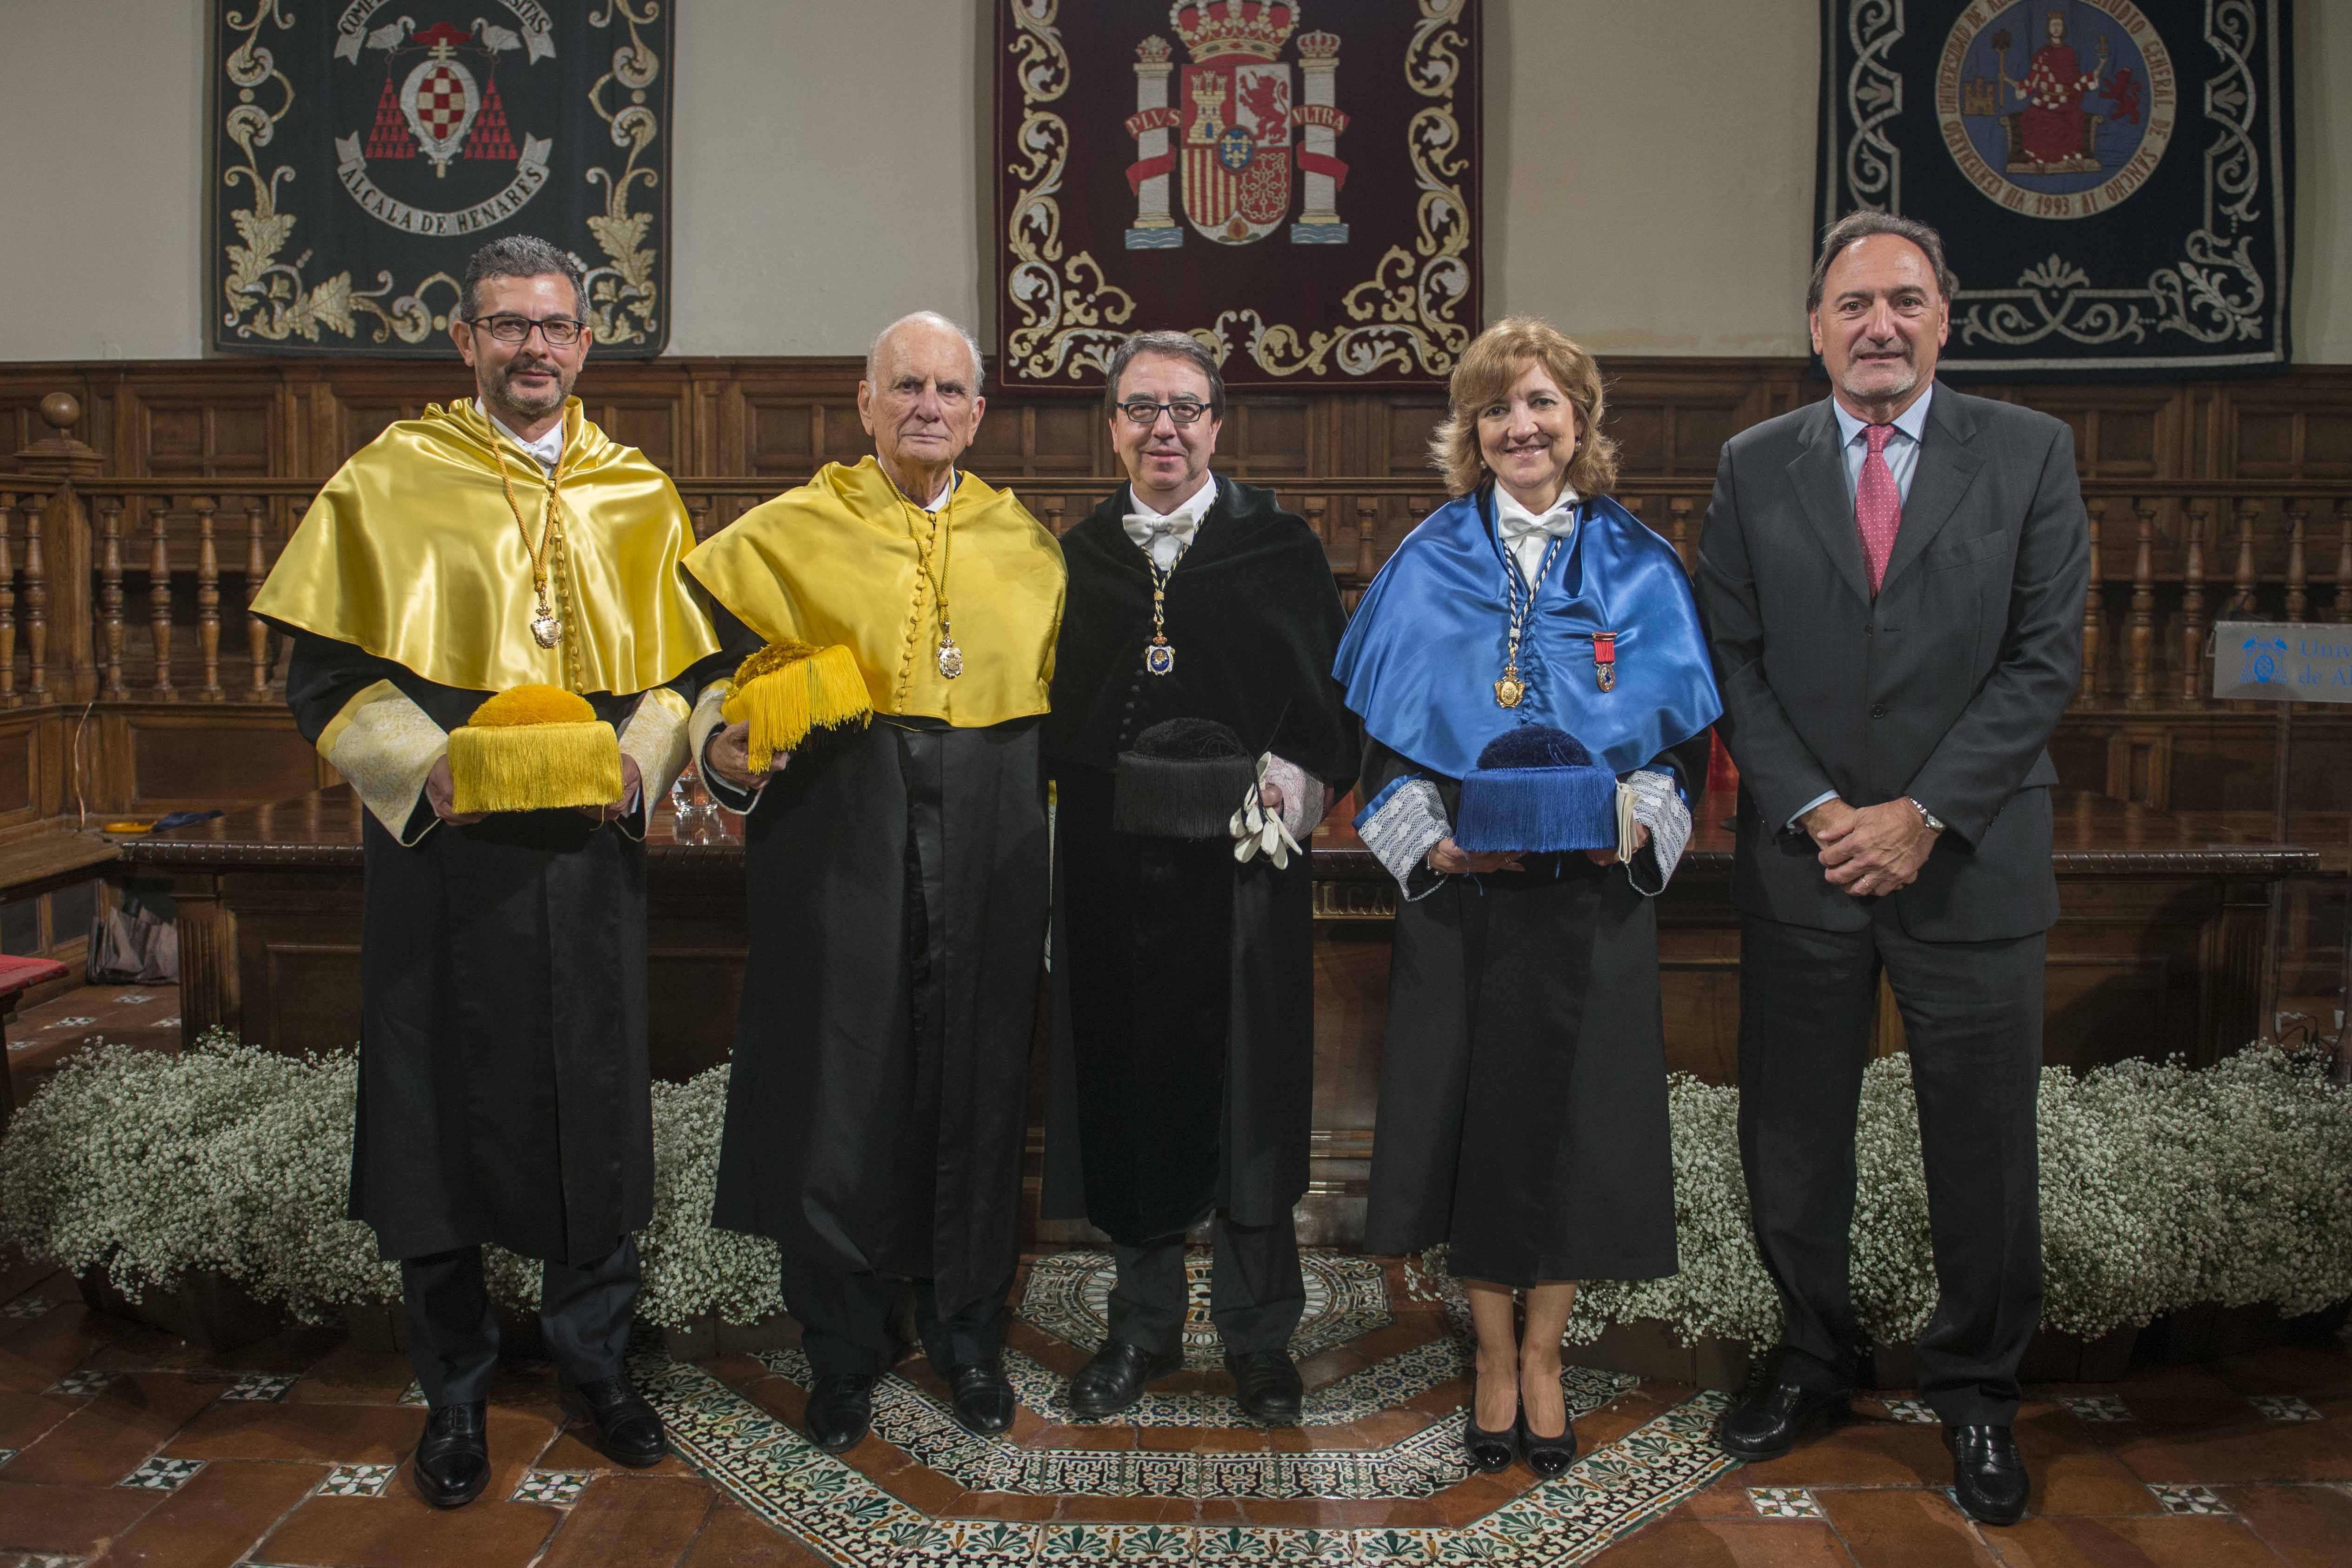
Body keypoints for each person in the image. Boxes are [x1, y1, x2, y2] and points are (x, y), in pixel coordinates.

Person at [251, 234, 720, 1508]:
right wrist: (426, 771)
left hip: (583, 863)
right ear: (465, 342)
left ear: (585, 341)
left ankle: (596, 1365)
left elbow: (683, 675)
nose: (533, 346)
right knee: (433, 1119)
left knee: (596, 1110)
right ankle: (452, 1393)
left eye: (554, 325)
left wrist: (641, 763)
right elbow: (327, 679)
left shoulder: (639, 491)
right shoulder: (390, 478)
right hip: (441, 864)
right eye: (506, 324)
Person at [1694, 210, 2088, 1528]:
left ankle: (1976, 1391)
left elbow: (2043, 660)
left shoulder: (2031, 455)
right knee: (1793, 1135)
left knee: (1980, 1146)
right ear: (1814, 328)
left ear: (1943, 318)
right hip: (1805, 863)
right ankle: (1813, 1359)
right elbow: (1728, 660)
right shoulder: (1754, 465)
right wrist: (1815, 808)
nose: (1879, 325)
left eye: (1904, 301)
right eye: (1853, 304)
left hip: (1967, 858)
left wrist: (1920, 811)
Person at [1335, 318, 1719, 1477]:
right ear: (1472, 432)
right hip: (1468, 911)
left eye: (1545, 404)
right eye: (1500, 409)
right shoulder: (1428, 561)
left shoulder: (1642, 567)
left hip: (1592, 910)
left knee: (1571, 1134)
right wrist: (1436, 850)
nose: (1523, 427)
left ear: (1581, 424)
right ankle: (1491, 1358)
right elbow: (1384, 758)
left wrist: (1641, 819)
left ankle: (1545, 1359)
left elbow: (1681, 749)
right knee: (1476, 1131)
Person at [685, 312, 1065, 1454]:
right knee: (842, 1085)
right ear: (865, 403)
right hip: (838, 836)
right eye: (906, 387)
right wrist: (719, 746)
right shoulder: (784, 533)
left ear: (979, 414)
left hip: (989, 832)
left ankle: (965, 1336)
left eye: (951, 390)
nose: (929, 408)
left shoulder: (1031, 546)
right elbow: (701, 684)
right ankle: (844, 1348)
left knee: (978, 1082)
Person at [1039, 331, 1358, 1424]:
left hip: (1242, 878)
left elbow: (1333, 711)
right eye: (1141, 409)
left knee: (1253, 1098)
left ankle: (1261, 1341)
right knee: (1131, 1097)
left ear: (1219, 424)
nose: (1163, 428)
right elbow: (1051, 718)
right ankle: (1142, 1329)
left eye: (1185, 408)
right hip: (1114, 880)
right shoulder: (1078, 557)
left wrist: (1298, 774)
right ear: (1114, 426)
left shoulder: (1279, 549)